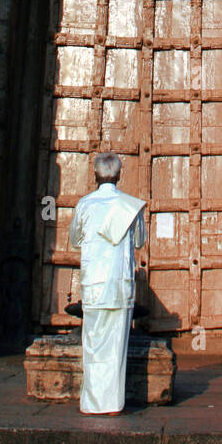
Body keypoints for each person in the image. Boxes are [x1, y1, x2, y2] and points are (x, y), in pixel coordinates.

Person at [68, 154, 146, 416]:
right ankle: (113, 405)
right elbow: (139, 241)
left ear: (95, 175)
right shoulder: (130, 206)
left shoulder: (85, 204)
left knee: (92, 344)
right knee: (116, 347)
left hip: (94, 284)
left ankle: (91, 404)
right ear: (119, 175)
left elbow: (75, 239)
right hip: (119, 284)